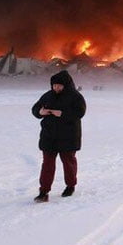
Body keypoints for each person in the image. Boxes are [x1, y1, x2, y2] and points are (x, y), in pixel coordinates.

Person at [31, 70, 86, 202]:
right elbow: (35, 109)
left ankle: (70, 186)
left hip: (68, 136)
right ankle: (43, 192)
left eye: (59, 85)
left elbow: (80, 112)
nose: (56, 87)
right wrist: (40, 112)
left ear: (66, 85)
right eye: (54, 85)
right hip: (49, 136)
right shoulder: (47, 95)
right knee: (47, 165)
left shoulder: (76, 96)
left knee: (68, 163)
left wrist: (62, 114)